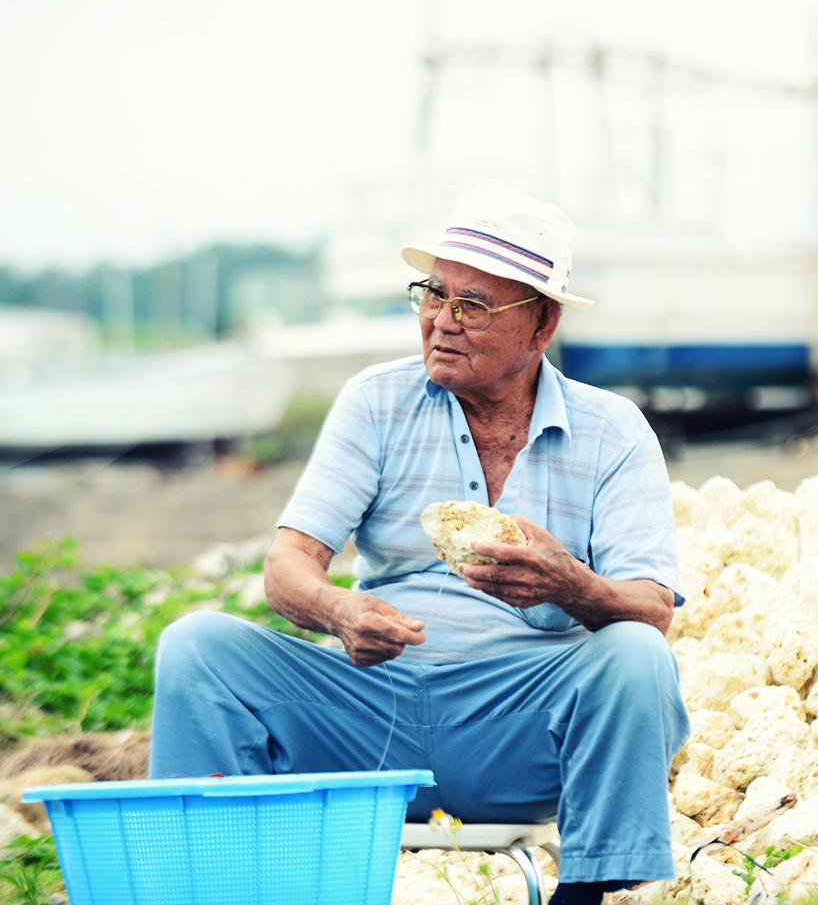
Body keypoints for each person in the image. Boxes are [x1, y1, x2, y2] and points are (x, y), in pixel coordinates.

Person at [149, 184, 691, 905]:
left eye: (473, 306)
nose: (441, 322)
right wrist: (339, 613)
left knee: (636, 655)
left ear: (542, 324)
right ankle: (214, 883)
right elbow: (287, 566)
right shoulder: (376, 400)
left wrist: (570, 583)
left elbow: (651, 609)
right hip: (367, 712)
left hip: (517, 724)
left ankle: (588, 894)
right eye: (432, 294)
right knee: (197, 646)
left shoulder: (614, 430)